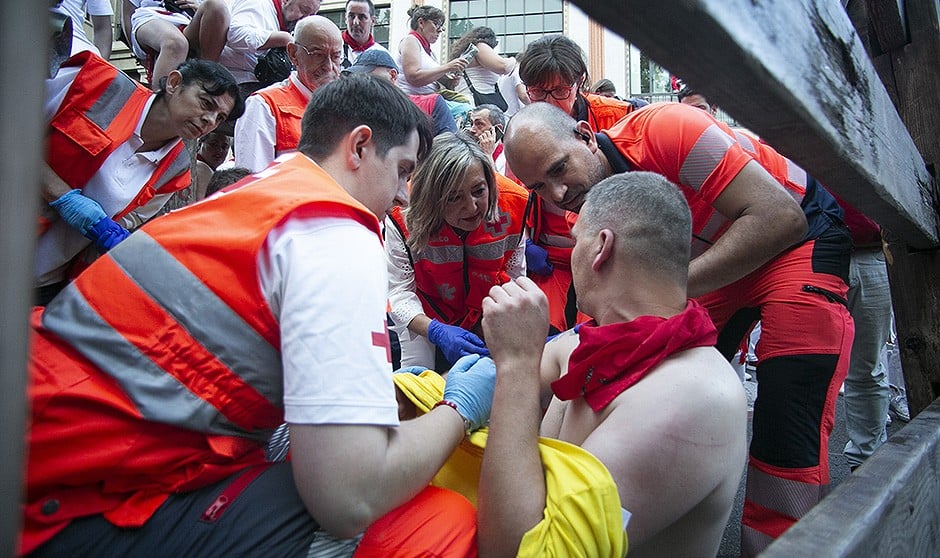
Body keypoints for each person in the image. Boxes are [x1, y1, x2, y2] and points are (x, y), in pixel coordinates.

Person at [22, 74, 494, 557]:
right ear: (359, 146)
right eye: (400, 170)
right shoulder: (333, 229)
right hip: (66, 504)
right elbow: (349, 495)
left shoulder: (254, 193)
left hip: (48, 438)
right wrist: (457, 411)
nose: (400, 195)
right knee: (440, 522)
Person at [504, 101, 854, 556]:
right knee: (633, 372)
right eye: (538, 187)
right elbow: (603, 336)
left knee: (789, 416)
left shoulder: (669, 128)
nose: (557, 192)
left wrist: (661, 284)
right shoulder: (584, 210)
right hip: (709, 266)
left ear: (587, 136)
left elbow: (780, 217)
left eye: (558, 168)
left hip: (800, 237)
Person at [477, 172, 748, 556]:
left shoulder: (695, 398)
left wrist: (517, 365)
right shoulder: (586, 346)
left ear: (600, 247)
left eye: (575, 242)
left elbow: (516, 551)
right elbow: (479, 384)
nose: (572, 256)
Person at [37, 52, 243, 305]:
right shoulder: (97, 84)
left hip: (45, 284)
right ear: (174, 83)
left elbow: (125, 225)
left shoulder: (177, 170)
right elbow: (12, 129)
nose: (209, 120)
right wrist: (62, 197)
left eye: (220, 118)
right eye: (206, 103)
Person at [516, 34, 644, 334]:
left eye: (560, 90)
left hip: (612, 252)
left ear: (580, 82)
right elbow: (516, 192)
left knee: (604, 334)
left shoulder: (618, 117)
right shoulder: (523, 131)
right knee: (544, 335)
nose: (550, 102)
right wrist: (525, 245)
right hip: (553, 261)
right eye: (538, 92)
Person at [386, 132, 528, 371]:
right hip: (424, 310)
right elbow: (398, 291)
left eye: (478, 191)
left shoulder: (514, 203)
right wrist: (434, 330)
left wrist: (496, 321)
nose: (472, 207)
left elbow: (514, 276)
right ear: (432, 199)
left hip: (485, 306)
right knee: (417, 375)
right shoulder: (403, 214)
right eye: (454, 198)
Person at [234, 15, 342, 172]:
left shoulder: (345, 110)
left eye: (336, 56)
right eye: (318, 55)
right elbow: (252, 184)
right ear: (293, 54)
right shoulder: (265, 106)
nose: (329, 66)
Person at [344, 48, 457, 136]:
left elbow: (451, 154)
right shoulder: (355, 115)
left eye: (368, 77)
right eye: (357, 78)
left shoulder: (431, 104)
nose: (362, 84)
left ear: (392, 75)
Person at [122, 0, 230, 87]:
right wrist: (138, 53)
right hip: (152, 16)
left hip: (188, 20)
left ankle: (206, 79)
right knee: (176, 43)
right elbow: (128, 14)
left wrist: (198, 6)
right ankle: (161, 105)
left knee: (217, 6)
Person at [220, 0, 322, 92]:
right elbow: (235, 35)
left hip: (252, 85)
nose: (304, 20)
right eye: (303, 10)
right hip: (231, 81)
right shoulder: (259, 4)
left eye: (310, 16)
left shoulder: (283, 22)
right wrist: (281, 38)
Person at [395, 5, 468, 96]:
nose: (440, 30)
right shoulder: (410, 40)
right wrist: (448, 67)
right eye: (436, 24)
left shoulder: (430, 53)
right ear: (421, 23)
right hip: (413, 101)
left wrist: (450, 81)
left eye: (441, 27)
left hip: (430, 99)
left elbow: (434, 78)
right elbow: (414, 77)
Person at [449, 26, 516, 111]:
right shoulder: (480, 46)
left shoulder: (468, 52)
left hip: (471, 101)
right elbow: (503, 67)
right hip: (474, 104)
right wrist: (514, 60)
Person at [340, 0, 389, 68]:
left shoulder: (382, 55)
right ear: (345, 18)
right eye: (351, 16)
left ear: (373, 21)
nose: (355, 22)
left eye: (362, 17)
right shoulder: (333, 48)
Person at [465, 104, 508, 175]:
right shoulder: (470, 151)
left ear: (498, 129)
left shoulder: (506, 159)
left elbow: (499, 184)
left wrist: (488, 155)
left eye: (479, 124)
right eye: (472, 124)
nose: (472, 130)